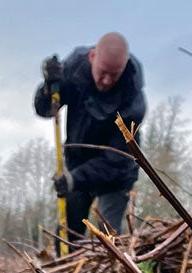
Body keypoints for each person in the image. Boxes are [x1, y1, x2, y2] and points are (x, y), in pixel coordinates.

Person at [34, 32, 146, 246]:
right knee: (67, 235)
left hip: (116, 176)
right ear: (92, 57)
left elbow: (118, 160)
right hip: (77, 164)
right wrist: (49, 85)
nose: (106, 80)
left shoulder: (133, 100)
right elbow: (45, 109)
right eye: (103, 72)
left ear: (123, 68)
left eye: (114, 75)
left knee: (108, 240)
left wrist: (75, 178)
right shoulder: (74, 67)